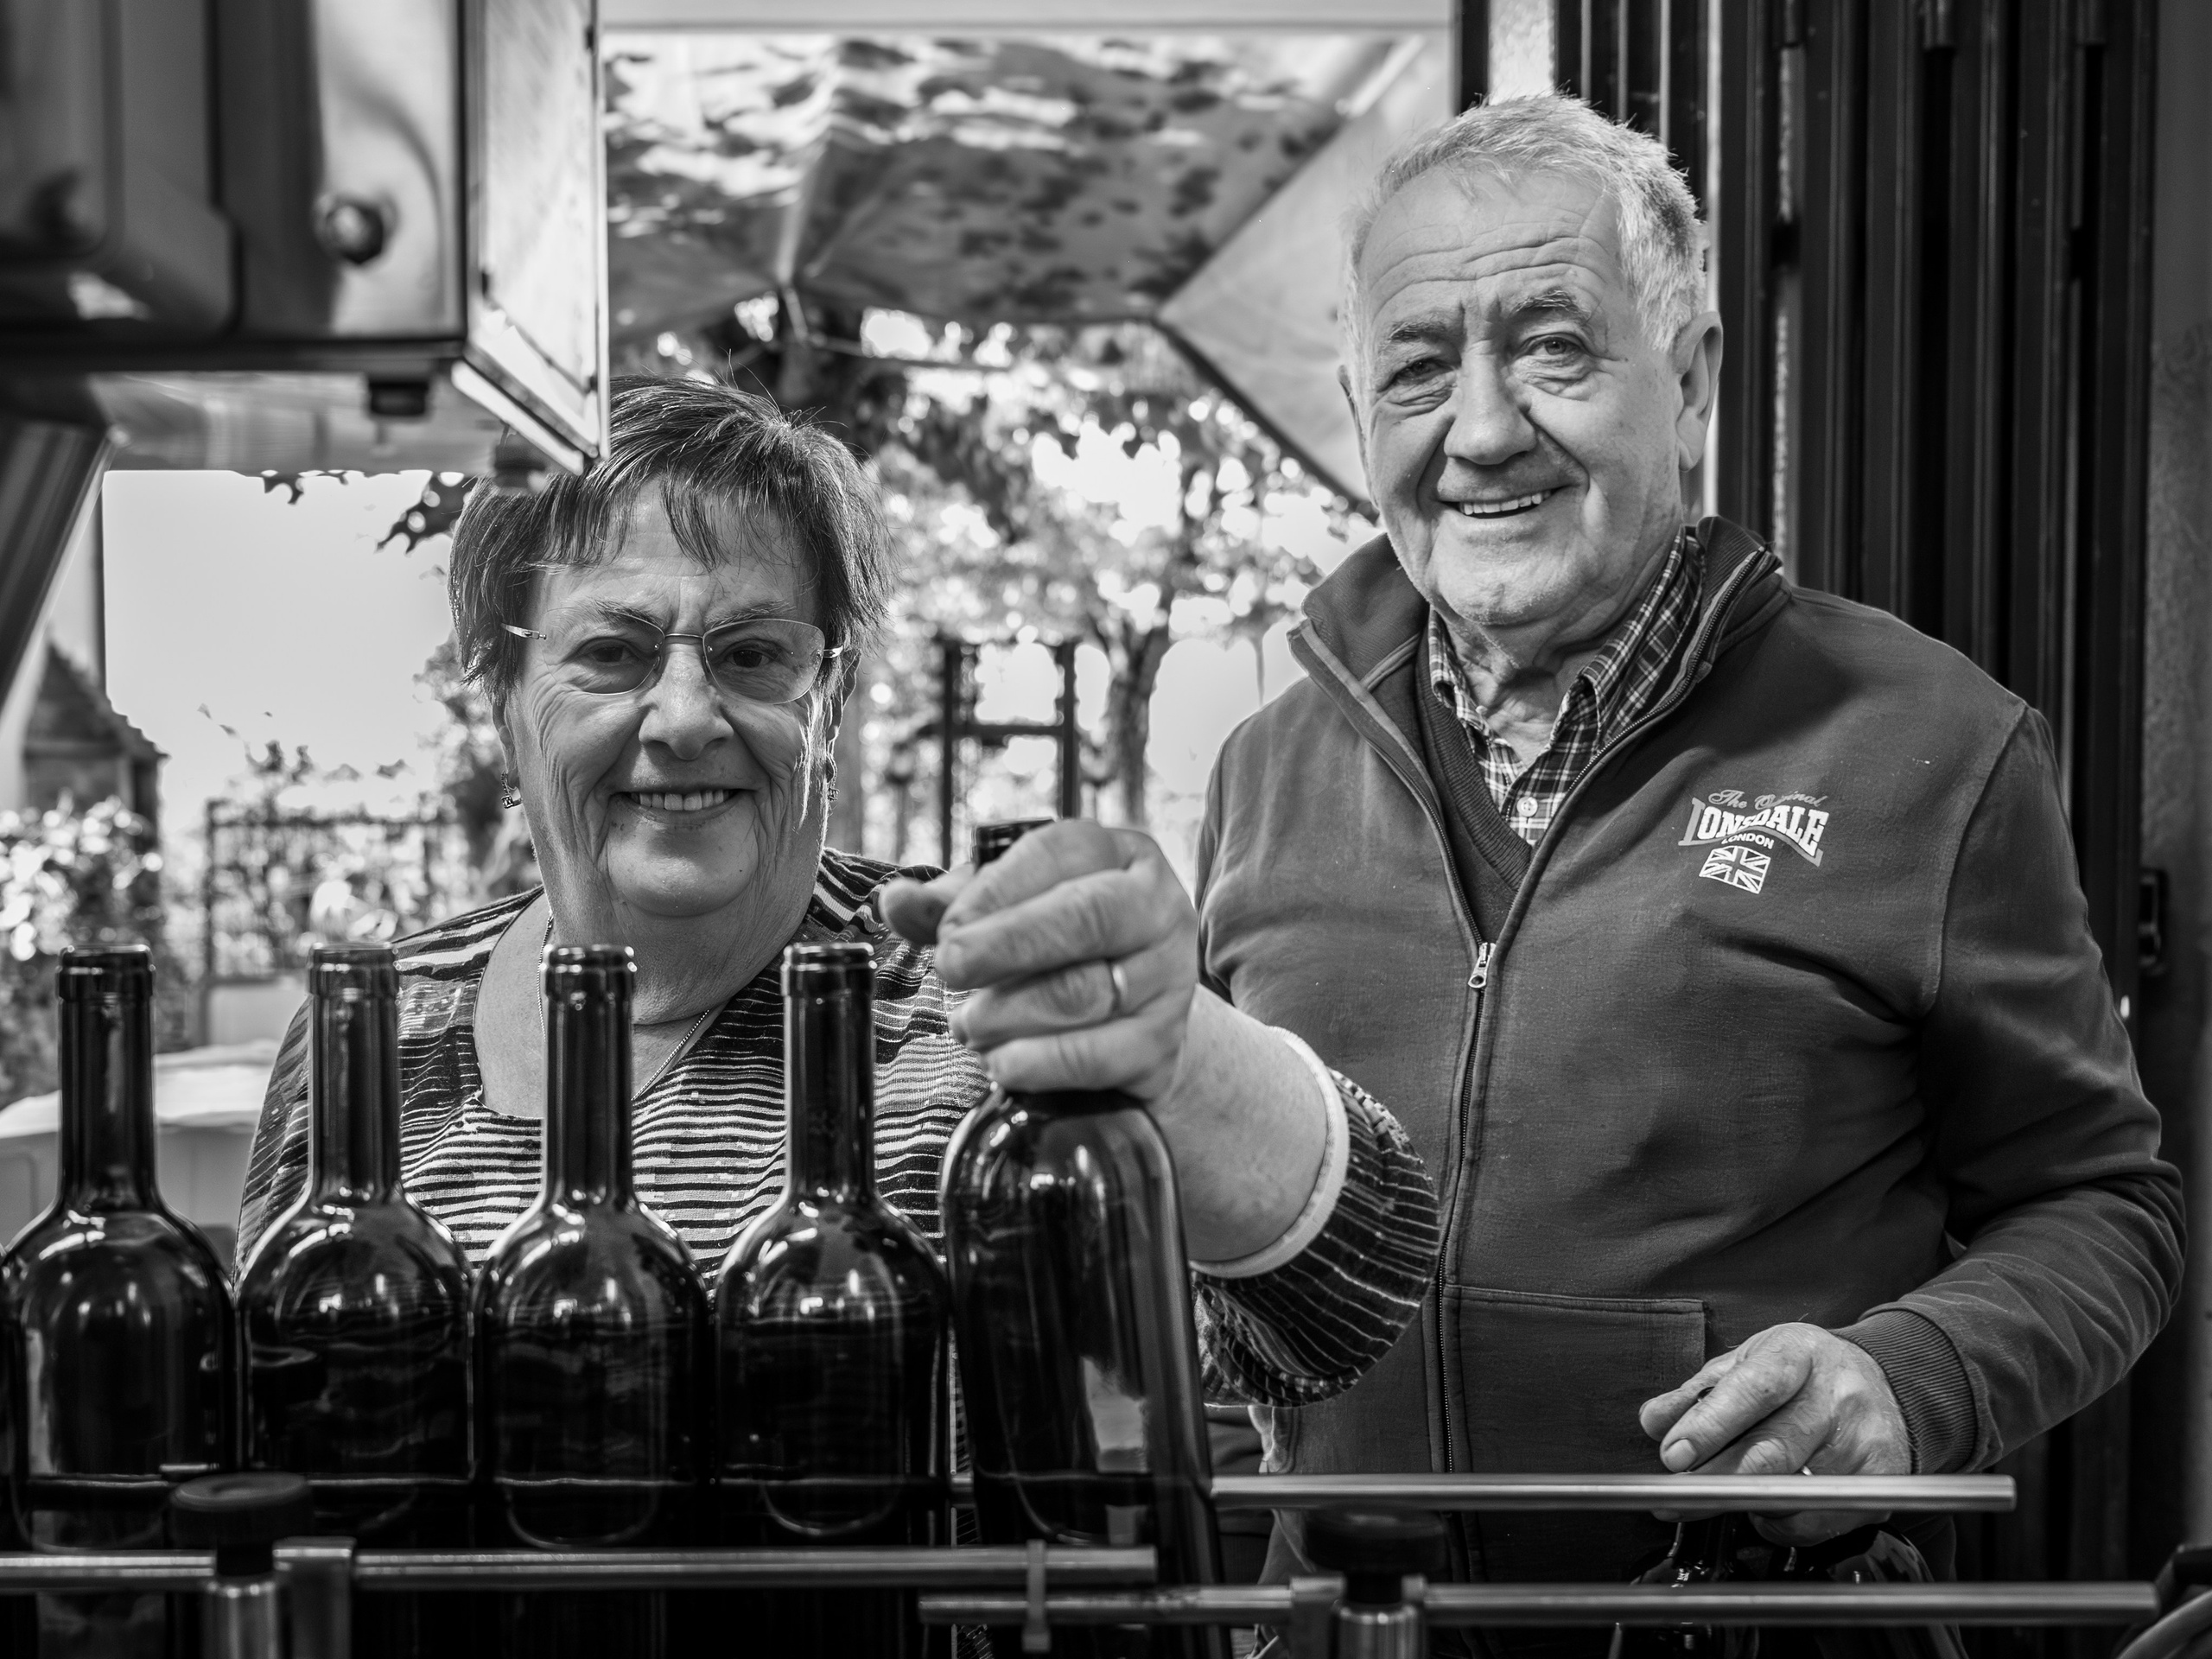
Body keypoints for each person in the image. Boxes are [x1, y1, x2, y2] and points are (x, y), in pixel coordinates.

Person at [1192, 92, 2183, 1624]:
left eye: (1552, 346)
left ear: (1695, 381)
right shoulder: (1268, 770)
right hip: (1337, 1630)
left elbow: (2107, 1209)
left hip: (1758, 1629)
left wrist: (1905, 1380)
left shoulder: (1932, 743)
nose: (1479, 430)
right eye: (1415, 370)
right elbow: (1238, 1226)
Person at [237, 377, 1439, 1426]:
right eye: (612, 654)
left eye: (755, 654)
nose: (687, 716)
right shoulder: (372, 1033)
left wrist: (1175, 1050)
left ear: (834, 696)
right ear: (502, 692)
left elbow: (1347, 1300)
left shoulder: (967, 1010)